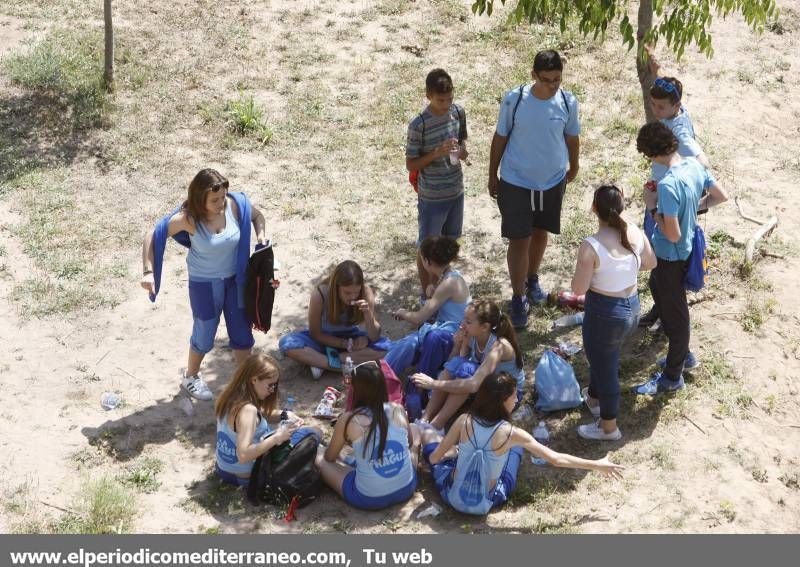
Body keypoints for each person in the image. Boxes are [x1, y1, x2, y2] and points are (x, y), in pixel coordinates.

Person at [141, 168, 270, 401]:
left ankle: (244, 383)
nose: (221, 203)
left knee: (242, 332)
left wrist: (261, 238)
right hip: (204, 284)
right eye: (214, 200)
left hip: (236, 281)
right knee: (204, 334)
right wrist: (148, 272)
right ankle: (190, 376)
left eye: (222, 197)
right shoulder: (188, 219)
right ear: (200, 199)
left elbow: (257, 217)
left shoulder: (235, 205)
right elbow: (153, 235)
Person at [421, 373, 624, 515]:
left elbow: (434, 458)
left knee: (431, 437)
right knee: (515, 448)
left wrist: (456, 452)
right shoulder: (512, 433)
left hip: (452, 498)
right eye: (514, 395)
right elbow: (556, 459)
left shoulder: (463, 420)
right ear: (502, 401)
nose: (517, 399)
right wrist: (597, 464)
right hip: (490, 500)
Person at [488, 49, 581, 328]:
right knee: (519, 239)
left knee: (541, 233)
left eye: (557, 79)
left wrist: (573, 166)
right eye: (546, 80)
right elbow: (500, 137)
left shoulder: (567, 101)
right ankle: (518, 298)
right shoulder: (514, 100)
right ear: (533, 76)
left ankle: (532, 279)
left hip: (552, 181)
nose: (553, 85)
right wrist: (492, 174)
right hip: (516, 181)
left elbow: (572, 136)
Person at [633, 123, 728, 395]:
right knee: (656, 288)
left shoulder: (667, 186)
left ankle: (673, 375)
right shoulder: (694, 166)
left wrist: (652, 207)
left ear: (652, 153)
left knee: (677, 320)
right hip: (683, 252)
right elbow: (720, 196)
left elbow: (671, 234)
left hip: (670, 256)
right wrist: (693, 208)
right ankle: (681, 355)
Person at [570, 185, 656, 440]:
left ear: (594, 208)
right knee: (605, 356)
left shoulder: (591, 247)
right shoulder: (635, 233)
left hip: (604, 314)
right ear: (622, 207)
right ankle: (594, 399)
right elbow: (651, 262)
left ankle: (609, 428)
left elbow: (578, 289)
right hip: (632, 309)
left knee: (606, 367)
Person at [640, 73, 711, 339]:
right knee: (656, 265)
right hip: (662, 195)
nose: (655, 111)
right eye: (653, 105)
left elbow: (701, 159)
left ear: (676, 105)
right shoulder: (677, 114)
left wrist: (695, 185)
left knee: (665, 267)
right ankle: (659, 309)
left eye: (660, 107)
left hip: (666, 203)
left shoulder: (679, 132)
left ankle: (671, 319)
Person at [315, 361, 419, 510]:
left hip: (369, 498)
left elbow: (329, 457)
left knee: (319, 454)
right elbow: (408, 443)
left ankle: (358, 465)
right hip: (407, 488)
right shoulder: (398, 409)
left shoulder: (349, 419)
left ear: (356, 390)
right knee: (414, 429)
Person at [411, 299, 524, 432]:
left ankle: (436, 425)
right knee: (461, 364)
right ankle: (424, 419)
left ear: (485, 327)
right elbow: (453, 364)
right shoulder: (473, 336)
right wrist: (458, 345)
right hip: (487, 384)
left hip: (506, 393)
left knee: (467, 369)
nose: (462, 325)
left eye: (468, 322)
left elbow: (473, 384)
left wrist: (433, 383)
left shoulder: (499, 346)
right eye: (463, 319)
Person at [406, 68, 468, 301]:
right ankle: (427, 295)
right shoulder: (418, 125)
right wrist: (436, 153)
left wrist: (461, 152)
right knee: (427, 248)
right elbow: (411, 164)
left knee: (450, 244)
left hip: (455, 190)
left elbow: (463, 145)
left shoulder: (458, 112)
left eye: (449, 98)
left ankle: (442, 290)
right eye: (441, 100)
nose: (446, 104)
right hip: (432, 196)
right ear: (428, 95)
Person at [214, 354, 321, 486]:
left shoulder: (231, 396)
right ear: (254, 380)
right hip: (248, 476)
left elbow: (257, 416)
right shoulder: (248, 411)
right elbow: (243, 455)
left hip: (224, 470)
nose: (272, 390)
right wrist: (277, 437)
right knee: (315, 432)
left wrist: (283, 415)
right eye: (270, 385)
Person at [278, 261, 390, 380]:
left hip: (351, 338)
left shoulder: (366, 292)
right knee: (287, 343)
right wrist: (343, 344)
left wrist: (368, 316)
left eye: (356, 292)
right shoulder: (320, 294)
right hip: (323, 340)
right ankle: (342, 367)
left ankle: (320, 362)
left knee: (385, 348)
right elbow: (315, 333)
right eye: (347, 292)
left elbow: (374, 336)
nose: (352, 297)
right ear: (336, 287)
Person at [384, 236, 471, 380]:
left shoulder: (448, 283)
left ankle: (382, 376)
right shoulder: (451, 276)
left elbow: (419, 318)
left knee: (408, 344)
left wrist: (403, 313)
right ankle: (383, 371)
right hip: (449, 332)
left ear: (427, 261)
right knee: (406, 345)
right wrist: (432, 289)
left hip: (452, 337)